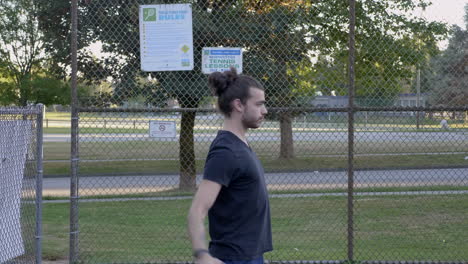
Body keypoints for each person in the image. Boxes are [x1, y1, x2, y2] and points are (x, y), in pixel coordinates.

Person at [188, 68, 272, 264]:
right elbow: (197, 211)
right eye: (259, 104)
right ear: (239, 105)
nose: (265, 111)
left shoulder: (240, 145)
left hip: (250, 256)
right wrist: (202, 255)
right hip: (232, 258)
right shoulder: (226, 152)